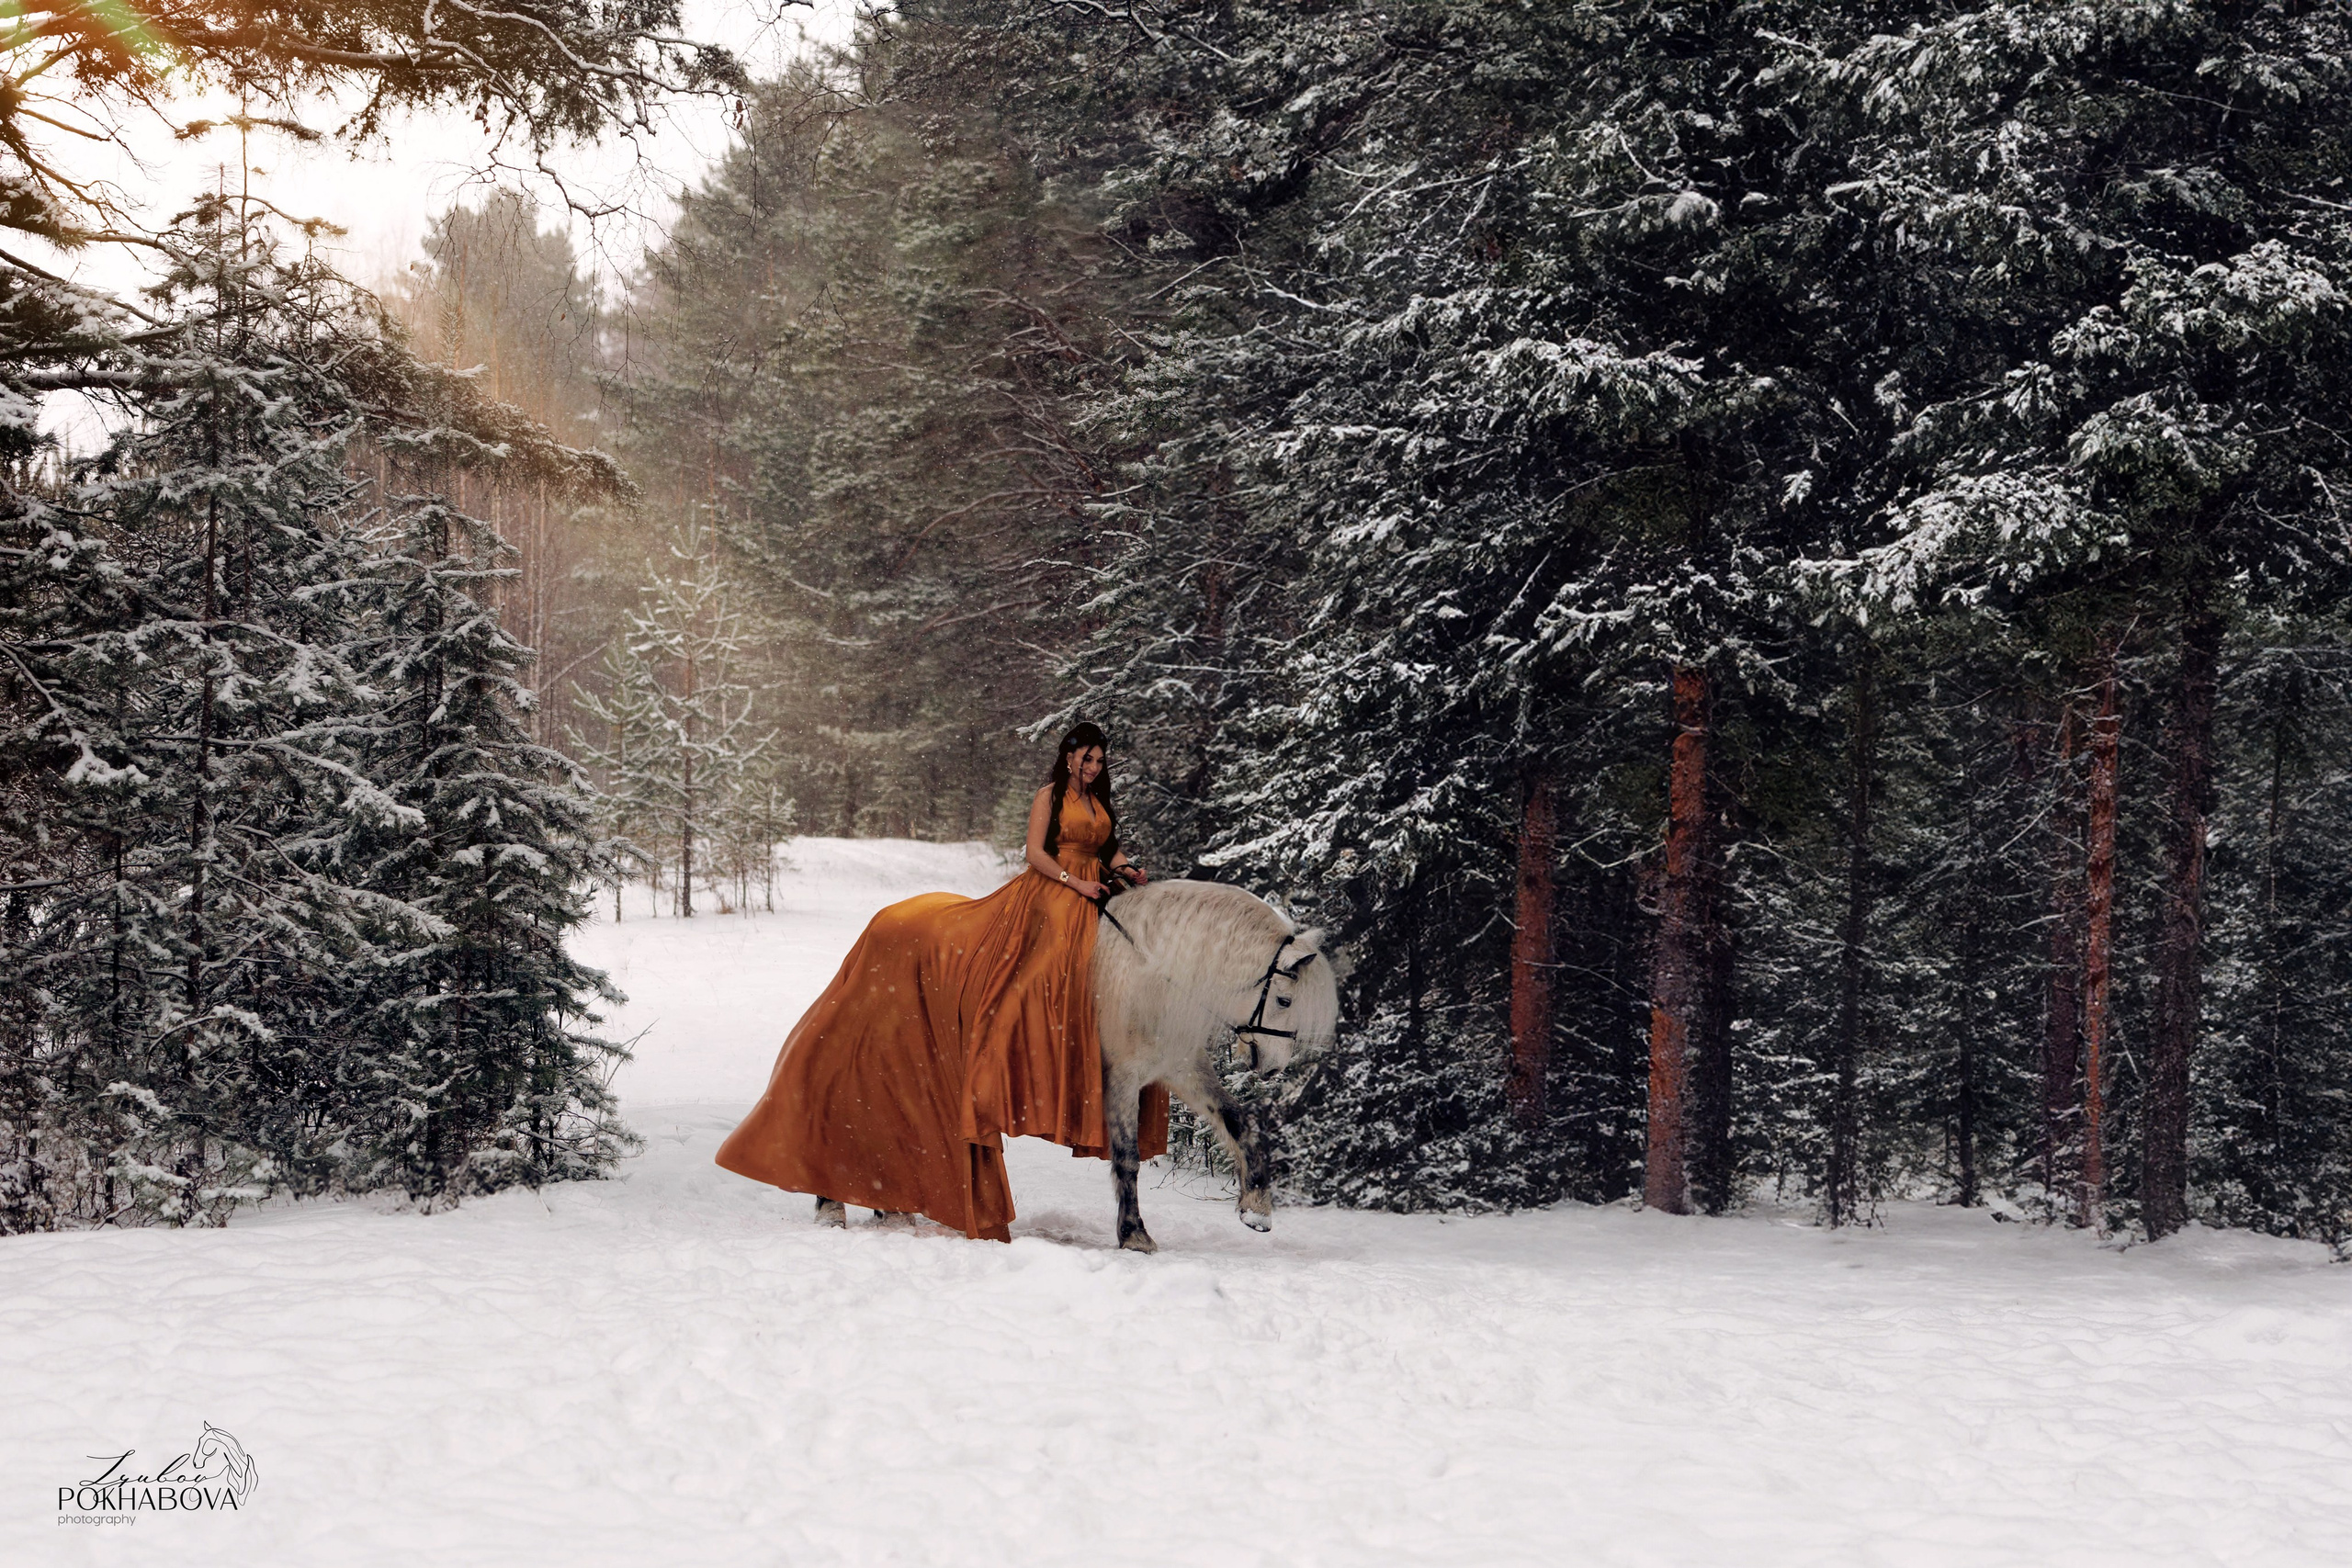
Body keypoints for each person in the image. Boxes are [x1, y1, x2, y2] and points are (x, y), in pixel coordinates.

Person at [712, 723, 1170, 1240]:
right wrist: (1074, 881)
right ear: (1068, 759)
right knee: (1037, 975)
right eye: (1086, 760)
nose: (1093, 768)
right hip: (1052, 894)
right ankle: (1015, 1046)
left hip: (1092, 893)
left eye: (1098, 762)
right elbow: (1034, 854)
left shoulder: (1099, 802)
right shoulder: (1051, 796)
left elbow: (1111, 849)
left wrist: (1127, 869)